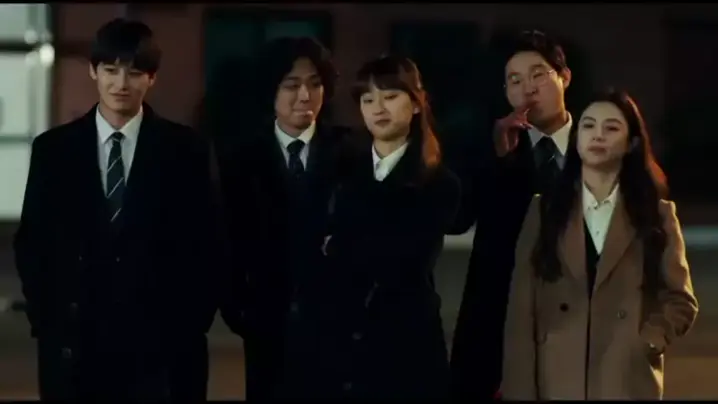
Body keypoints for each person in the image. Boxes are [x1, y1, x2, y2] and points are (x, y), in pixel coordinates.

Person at [13, 18, 218, 401]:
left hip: (161, 345)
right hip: (76, 340)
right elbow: (33, 242)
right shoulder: (54, 150)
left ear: (152, 78)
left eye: (135, 72)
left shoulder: (186, 150)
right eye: (110, 70)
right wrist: (47, 319)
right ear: (94, 71)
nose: (121, 83)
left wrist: (189, 322)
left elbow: (207, 243)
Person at [502, 88, 699, 400]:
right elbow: (521, 311)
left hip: (625, 379)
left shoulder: (655, 215)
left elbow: (680, 300)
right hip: (556, 379)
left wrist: (647, 340)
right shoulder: (545, 210)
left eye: (612, 128)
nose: (598, 135)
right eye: (589, 125)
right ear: (576, 138)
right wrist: (519, 390)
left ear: (632, 143)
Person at [217, 36, 349, 401]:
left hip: (335, 326)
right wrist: (240, 311)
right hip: (267, 323)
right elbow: (225, 241)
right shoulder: (241, 159)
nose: (305, 96)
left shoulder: (349, 152)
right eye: (292, 85)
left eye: (315, 84)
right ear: (270, 90)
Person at [323, 55, 461, 400]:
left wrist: (339, 245)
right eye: (368, 99)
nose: (378, 108)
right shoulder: (340, 172)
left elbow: (405, 262)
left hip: (406, 345)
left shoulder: (439, 182)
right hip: (340, 344)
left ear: (416, 104)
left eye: (390, 96)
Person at [449, 30, 575, 400]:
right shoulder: (493, 148)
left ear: (564, 77)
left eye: (538, 75)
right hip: (501, 329)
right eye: (515, 81)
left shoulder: (597, 143)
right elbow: (457, 220)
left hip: (579, 326)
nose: (528, 89)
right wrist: (496, 160)